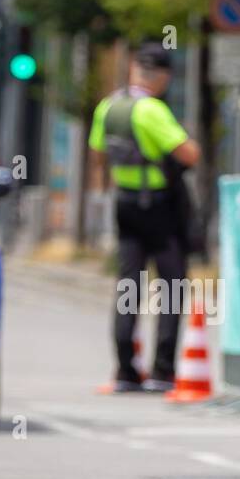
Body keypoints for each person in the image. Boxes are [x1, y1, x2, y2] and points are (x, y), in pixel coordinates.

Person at [89, 42, 202, 392]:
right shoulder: (151, 110)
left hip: (124, 202)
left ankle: (125, 369)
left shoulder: (108, 106)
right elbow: (189, 154)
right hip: (159, 206)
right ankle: (162, 370)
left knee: (128, 285)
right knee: (170, 286)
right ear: (163, 76)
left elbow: (97, 155)